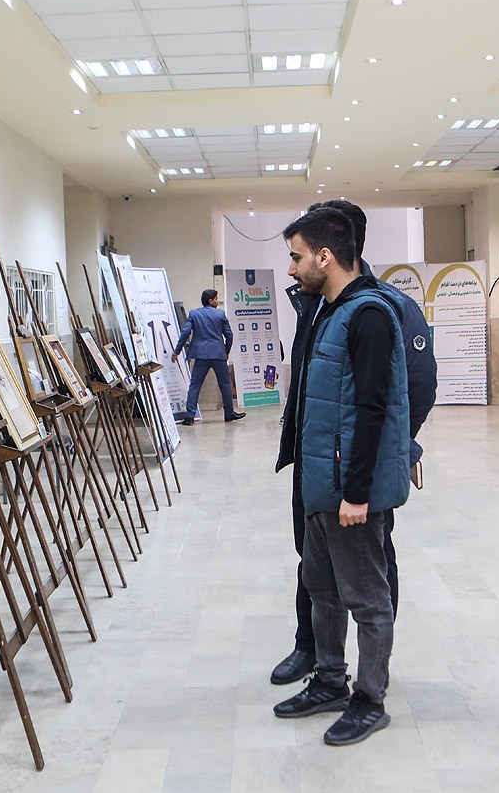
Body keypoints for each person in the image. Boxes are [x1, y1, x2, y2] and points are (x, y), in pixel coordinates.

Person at [269, 199, 436, 686]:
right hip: (317, 466)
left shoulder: (377, 310)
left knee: (368, 579)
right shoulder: (319, 306)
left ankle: (371, 682)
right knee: (316, 571)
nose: (291, 267)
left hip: (353, 474)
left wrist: (374, 465)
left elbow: (400, 396)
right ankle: (319, 662)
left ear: (329, 251)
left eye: (297, 255)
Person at [171, 288, 245, 425]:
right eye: (216, 299)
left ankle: (189, 416)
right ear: (210, 301)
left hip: (200, 355)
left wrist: (177, 351)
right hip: (218, 354)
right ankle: (229, 413)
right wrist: (226, 351)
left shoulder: (194, 314)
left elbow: (185, 333)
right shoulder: (220, 314)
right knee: (225, 384)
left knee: (195, 385)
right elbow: (229, 335)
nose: (217, 301)